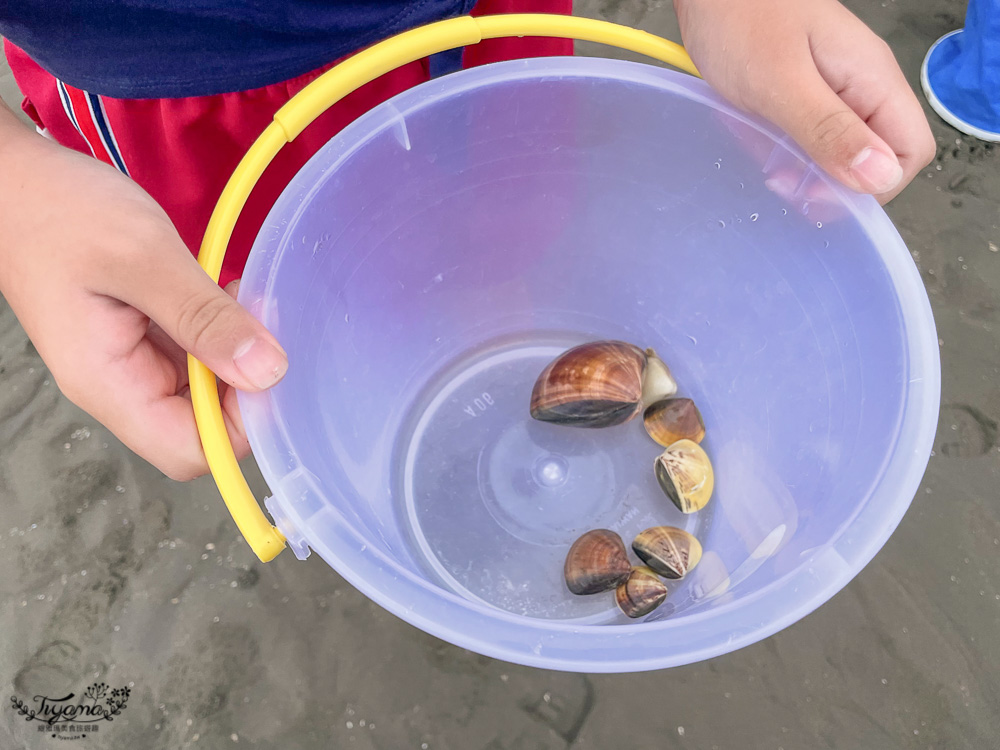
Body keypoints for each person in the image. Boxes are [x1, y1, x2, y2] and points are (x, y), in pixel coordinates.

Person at [0, 0, 935, 481]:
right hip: (184, 101)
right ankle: (389, 418)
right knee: (288, 319)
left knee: (512, 234)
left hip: (487, 21)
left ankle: (497, 341)